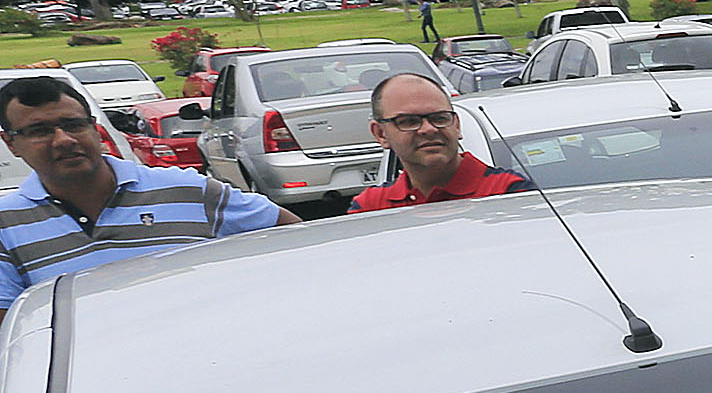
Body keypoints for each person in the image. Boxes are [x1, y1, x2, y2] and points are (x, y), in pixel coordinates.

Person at [0, 76, 281, 310]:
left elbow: (289, 236)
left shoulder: (187, 190)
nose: (64, 140)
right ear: (11, 144)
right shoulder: (6, 225)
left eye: (74, 125)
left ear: (95, 129)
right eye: (40, 131)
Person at [349, 72, 531, 211]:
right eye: (409, 121)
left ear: (456, 125)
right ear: (381, 134)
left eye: (439, 118)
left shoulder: (510, 193)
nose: (428, 129)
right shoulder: (370, 208)